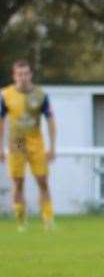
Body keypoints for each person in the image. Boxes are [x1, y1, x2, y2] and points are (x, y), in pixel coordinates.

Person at [0, 60, 56, 231]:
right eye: (19, 74)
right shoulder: (6, 95)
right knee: (18, 182)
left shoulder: (41, 95)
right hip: (17, 140)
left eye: (25, 73)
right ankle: (21, 221)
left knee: (42, 180)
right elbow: (1, 122)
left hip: (35, 140)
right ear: (14, 76)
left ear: (31, 75)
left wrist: (52, 147)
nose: (22, 77)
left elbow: (51, 120)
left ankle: (48, 220)